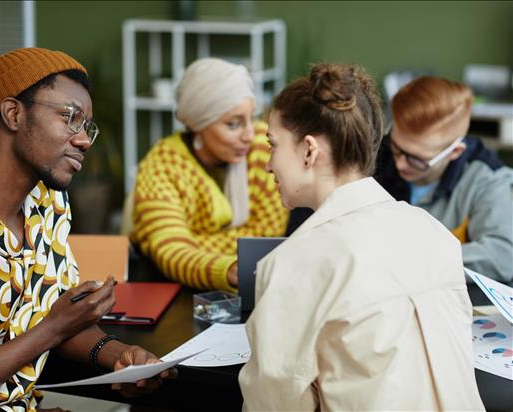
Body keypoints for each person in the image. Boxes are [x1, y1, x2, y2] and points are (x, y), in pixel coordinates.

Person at [0, 47, 174, 412]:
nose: (84, 140)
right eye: (69, 117)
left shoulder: (48, 205)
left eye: (87, 126)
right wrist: (54, 328)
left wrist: (121, 356)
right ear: (13, 113)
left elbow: (58, 318)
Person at [239, 64, 483, 410]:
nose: (267, 164)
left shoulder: (293, 264)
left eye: (272, 145)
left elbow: (273, 405)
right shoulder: (434, 233)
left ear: (309, 150)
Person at [131, 58, 288, 292]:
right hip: (177, 291)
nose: (249, 133)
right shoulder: (162, 166)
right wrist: (227, 267)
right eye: (233, 124)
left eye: (251, 118)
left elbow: (267, 235)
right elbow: (171, 252)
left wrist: (192, 242)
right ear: (198, 124)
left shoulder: (262, 147)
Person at [375, 76, 513, 284]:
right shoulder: (376, 159)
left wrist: (422, 261)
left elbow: (502, 256)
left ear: (455, 152)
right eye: (397, 148)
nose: (400, 164)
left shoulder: (488, 179)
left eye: (416, 159)